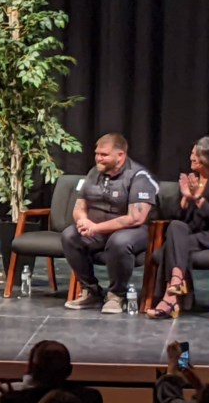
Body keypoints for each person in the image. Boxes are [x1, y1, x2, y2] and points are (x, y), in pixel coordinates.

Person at [62, 132, 158, 314]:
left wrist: (96, 228)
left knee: (119, 241)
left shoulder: (139, 177)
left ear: (120, 155)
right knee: (70, 235)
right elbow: (79, 205)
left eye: (104, 155)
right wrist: (82, 220)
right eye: (97, 153)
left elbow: (135, 218)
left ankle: (117, 294)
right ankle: (91, 291)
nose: (98, 158)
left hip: (133, 231)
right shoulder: (93, 172)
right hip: (97, 230)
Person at [147, 136, 209, 319]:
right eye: (192, 153)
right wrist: (186, 199)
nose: (191, 158)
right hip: (194, 235)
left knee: (164, 251)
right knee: (177, 227)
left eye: (196, 154)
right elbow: (181, 220)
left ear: (208, 159)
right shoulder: (193, 181)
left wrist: (198, 198)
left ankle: (170, 299)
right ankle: (176, 286)